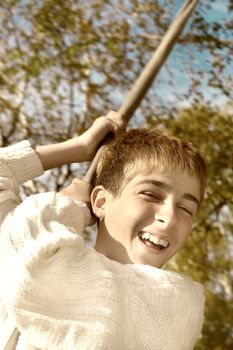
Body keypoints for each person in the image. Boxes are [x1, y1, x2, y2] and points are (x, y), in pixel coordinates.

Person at [0, 111, 206, 349]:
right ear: (100, 202)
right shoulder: (30, 257)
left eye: (186, 208)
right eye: (151, 194)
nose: (169, 217)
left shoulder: (174, 304)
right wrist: (80, 146)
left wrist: (66, 207)